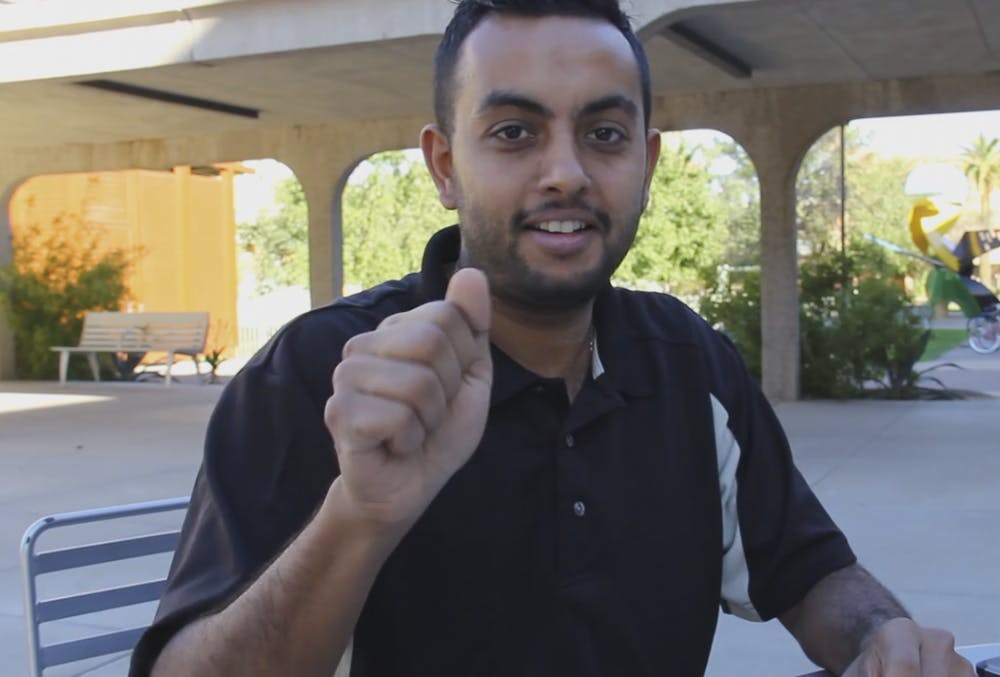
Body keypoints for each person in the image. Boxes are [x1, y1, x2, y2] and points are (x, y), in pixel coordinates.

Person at [130, 1, 974, 675]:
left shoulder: (689, 364)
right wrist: (358, 516)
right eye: (514, 132)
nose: (566, 170)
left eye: (604, 134)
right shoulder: (321, 376)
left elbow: (811, 570)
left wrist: (883, 638)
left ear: (644, 159)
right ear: (444, 166)